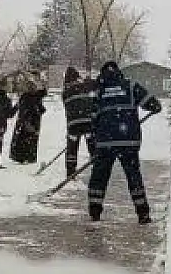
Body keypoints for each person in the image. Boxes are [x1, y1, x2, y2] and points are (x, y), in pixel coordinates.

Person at [89, 61, 162, 224]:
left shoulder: (99, 91)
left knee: (99, 177)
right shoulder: (131, 86)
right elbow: (153, 104)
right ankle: (143, 213)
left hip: (105, 142)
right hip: (128, 141)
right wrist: (154, 107)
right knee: (133, 176)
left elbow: (93, 119)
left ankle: (94, 211)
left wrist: (96, 140)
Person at [61, 66, 98, 177]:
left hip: (73, 124)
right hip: (88, 121)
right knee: (92, 144)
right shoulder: (87, 86)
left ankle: (70, 171)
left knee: (72, 148)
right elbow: (95, 87)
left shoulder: (65, 92)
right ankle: (97, 165)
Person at [9, 76, 47, 164]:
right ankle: (27, 157)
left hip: (26, 121)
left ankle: (24, 157)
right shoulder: (31, 96)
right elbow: (38, 107)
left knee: (25, 139)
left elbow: (42, 95)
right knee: (27, 139)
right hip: (29, 121)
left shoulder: (29, 96)